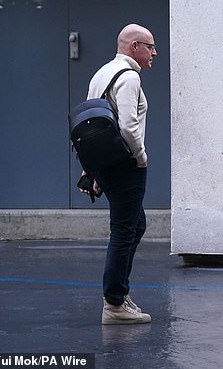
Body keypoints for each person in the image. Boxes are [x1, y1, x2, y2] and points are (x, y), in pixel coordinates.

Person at [83, 24, 157, 324]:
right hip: (125, 165)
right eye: (150, 47)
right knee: (125, 230)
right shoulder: (128, 78)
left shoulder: (102, 73)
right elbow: (128, 126)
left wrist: (92, 170)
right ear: (134, 46)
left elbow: (90, 127)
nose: (154, 53)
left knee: (136, 224)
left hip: (107, 164)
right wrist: (141, 157)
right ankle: (114, 303)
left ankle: (118, 295)